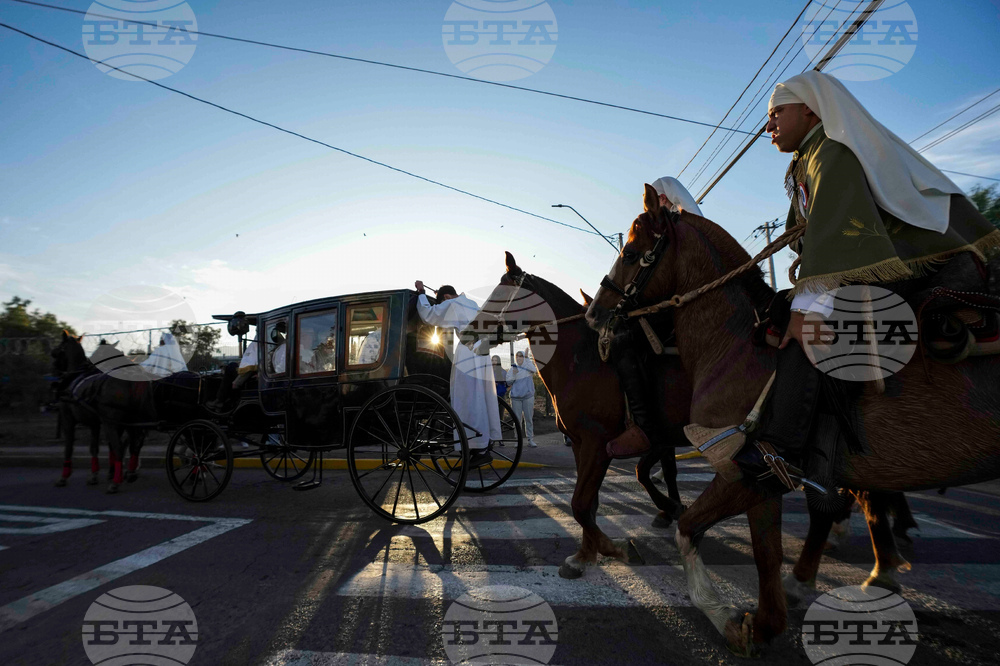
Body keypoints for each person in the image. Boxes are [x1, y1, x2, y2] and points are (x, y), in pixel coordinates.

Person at [707, 71, 1000, 490]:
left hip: (909, 263)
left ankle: (782, 449)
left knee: (808, 330)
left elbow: (834, 239)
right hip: (862, 265)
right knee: (783, 315)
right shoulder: (806, 159)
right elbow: (809, 237)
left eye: (776, 113)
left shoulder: (831, 153)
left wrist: (803, 309)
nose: (768, 125)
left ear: (808, 108)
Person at [605, 176, 703, 459]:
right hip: (677, 305)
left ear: (667, 199)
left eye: (658, 199)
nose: (655, 205)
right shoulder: (669, 228)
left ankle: (645, 428)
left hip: (686, 308)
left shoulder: (681, 228)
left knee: (623, 339)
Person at [414, 280, 502, 468]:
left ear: (446, 297)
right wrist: (444, 300)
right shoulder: (472, 304)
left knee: (467, 399)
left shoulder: (452, 304)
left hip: (468, 353)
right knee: (482, 397)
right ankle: (485, 441)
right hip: (483, 352)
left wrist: (421, 292)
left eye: (443, 301)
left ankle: (477, 447)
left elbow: (429, 315)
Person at [506, 350, 538, 447]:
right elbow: (508, 382)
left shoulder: (528, 367)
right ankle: (518, 440)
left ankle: (530, 439)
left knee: (528, 418)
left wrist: (528, 359)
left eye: (521, 356)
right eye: (517, 356)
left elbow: (535, 370)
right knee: (517, 420)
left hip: (528, 397)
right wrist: (514, 374)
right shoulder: (512, 369)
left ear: (524, 357)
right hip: (516, 398)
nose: (519, 358)